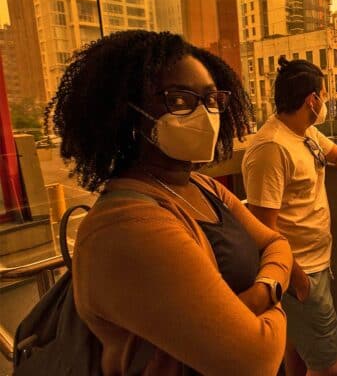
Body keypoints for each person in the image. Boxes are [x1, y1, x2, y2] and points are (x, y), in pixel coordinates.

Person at [46, 30, 293, 375]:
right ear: (126, 111)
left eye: (212, 100)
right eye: (179, 100)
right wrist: (279, 294)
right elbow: (256, 359)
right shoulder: (126, 228)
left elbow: (276, 242)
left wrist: (264, 292)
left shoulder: (203, 187)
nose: (205, 114)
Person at [242, 57, 337, 376]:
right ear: (312, 100)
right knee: (327, 366)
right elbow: (263, 230)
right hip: (300, 272)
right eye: (323, 95)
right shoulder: (272, 149)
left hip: (315, 265)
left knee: (297, 352)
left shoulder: (305, 133)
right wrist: (298, 279)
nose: (325, 103)